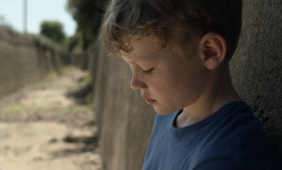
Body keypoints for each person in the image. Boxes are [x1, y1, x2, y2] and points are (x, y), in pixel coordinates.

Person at [99, 0, 279, 169]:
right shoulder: (168, 117)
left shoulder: (225, 159)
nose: (134, 83)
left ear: (209, 52)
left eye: (147, 69)